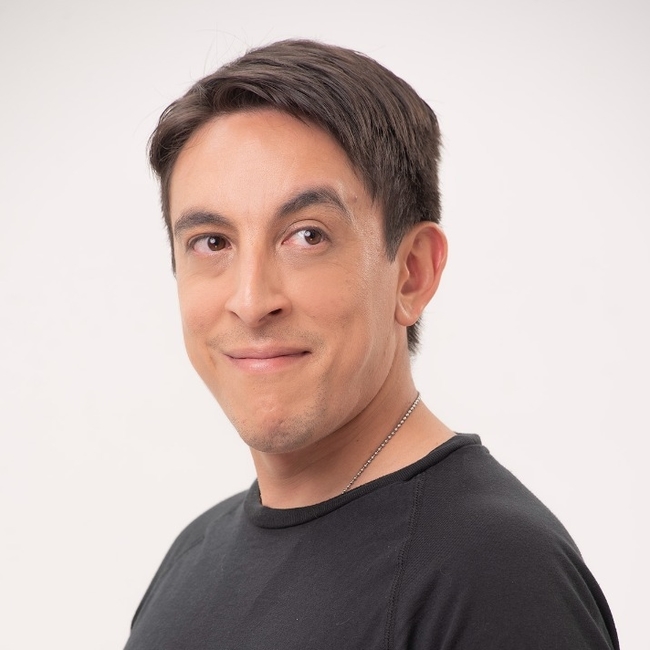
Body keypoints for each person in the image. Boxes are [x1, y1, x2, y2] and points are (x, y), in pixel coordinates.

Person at [124, 40, 619, 649]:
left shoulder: (495, 572)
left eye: (307, 236)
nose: (251, 300)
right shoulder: (192, 559)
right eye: (212, 242)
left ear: (411, 273)